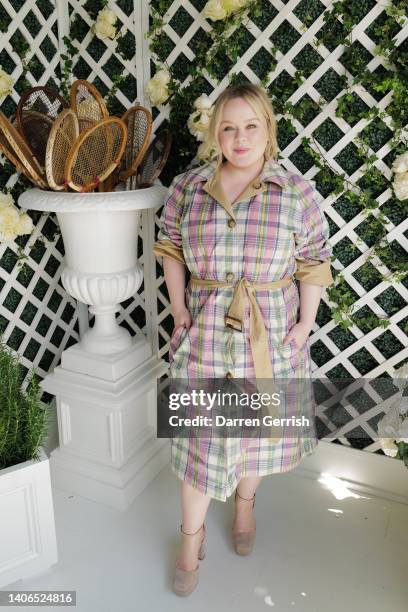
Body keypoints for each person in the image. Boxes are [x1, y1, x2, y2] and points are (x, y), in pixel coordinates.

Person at [153, 82, 334, 597]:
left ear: (268, 128)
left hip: (269, 332)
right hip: (205, 331)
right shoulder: (188, 188)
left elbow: (313, 261)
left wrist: (304, 326)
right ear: (215, 132)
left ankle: (245, 506)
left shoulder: (295, 191)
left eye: (251, 125)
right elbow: (169, 248)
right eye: (229, 127)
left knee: (253, 436)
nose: (240, 137)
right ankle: (191, 540)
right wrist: (179, 307)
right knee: (197, 440)